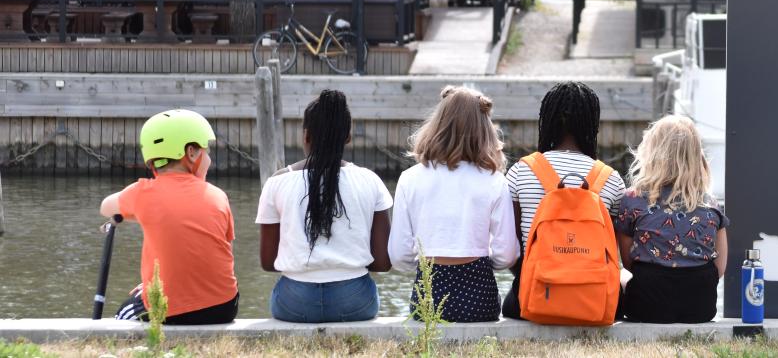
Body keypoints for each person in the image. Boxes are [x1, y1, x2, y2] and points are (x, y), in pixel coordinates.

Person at [256, 90, 392, 323]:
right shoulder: (370, 181)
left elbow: (269, 262)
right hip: (355, 302)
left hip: (294, 303)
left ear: (306, 135)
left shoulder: (277, 182)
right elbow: (383, 262)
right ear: (348, 137)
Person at [388, 85, 519, 322]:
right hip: (479, 298)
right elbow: (507, 255)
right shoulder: (494, 181)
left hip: (428, 296)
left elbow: (398, 255)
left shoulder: (409, 179)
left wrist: (422, 264)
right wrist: (482, 261)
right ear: (484, 130)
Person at [100, 109, 239, 324]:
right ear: (191, 153)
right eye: (207, 151)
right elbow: (215, 254)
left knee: (122, 315)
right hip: (224, 307)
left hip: (169, 310)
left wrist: (143, 214)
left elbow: (106, 207)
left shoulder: (142, 193)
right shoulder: (218, 195)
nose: (209, 159)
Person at [502, 81, 626, 319]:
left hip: (532, 296)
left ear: (547, 120)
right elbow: (612, 252)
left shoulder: (521, 171)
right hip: (594, 298)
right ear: (593, 124)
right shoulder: (611, 179)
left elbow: (513, 247)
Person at [615, 115, 728, 323]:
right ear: (696, 156)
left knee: (621, 274)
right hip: (700, 308)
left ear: (651, 153)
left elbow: (629, 261)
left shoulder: (632, 199)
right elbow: (719, 268)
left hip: (647, 307)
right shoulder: (711, 204)